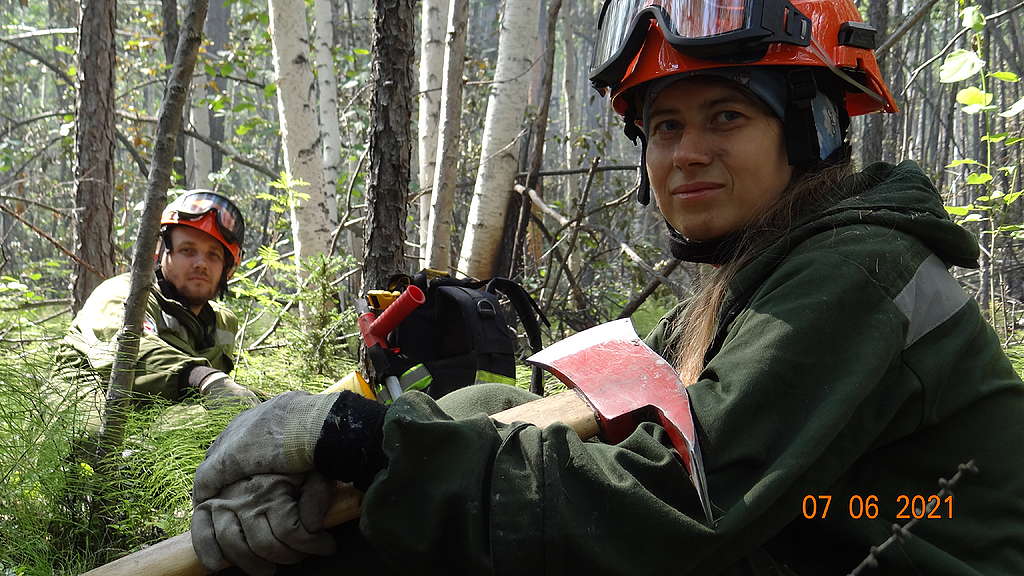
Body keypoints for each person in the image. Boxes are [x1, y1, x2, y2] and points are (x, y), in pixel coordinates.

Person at [190, 1, 1024, 574]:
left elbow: (670, 508)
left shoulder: (854, 273)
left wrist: (360, 443)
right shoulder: (755, 278)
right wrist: (350, 470)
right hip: (805, 544)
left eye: (725, 116)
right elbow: (588, 415)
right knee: (477, 419)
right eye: (665, 126)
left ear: (810, 128)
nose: (685, 152)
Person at [54, 190, 258, 434]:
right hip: (89, 421)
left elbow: (220, 397)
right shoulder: (124, 295)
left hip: (164, 418)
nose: (201, 263)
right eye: (187, 250)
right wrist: (205, 378)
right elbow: (129, 349)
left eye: (213, 255)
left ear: (228, 269)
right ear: (161, 251)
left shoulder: (223, 323)